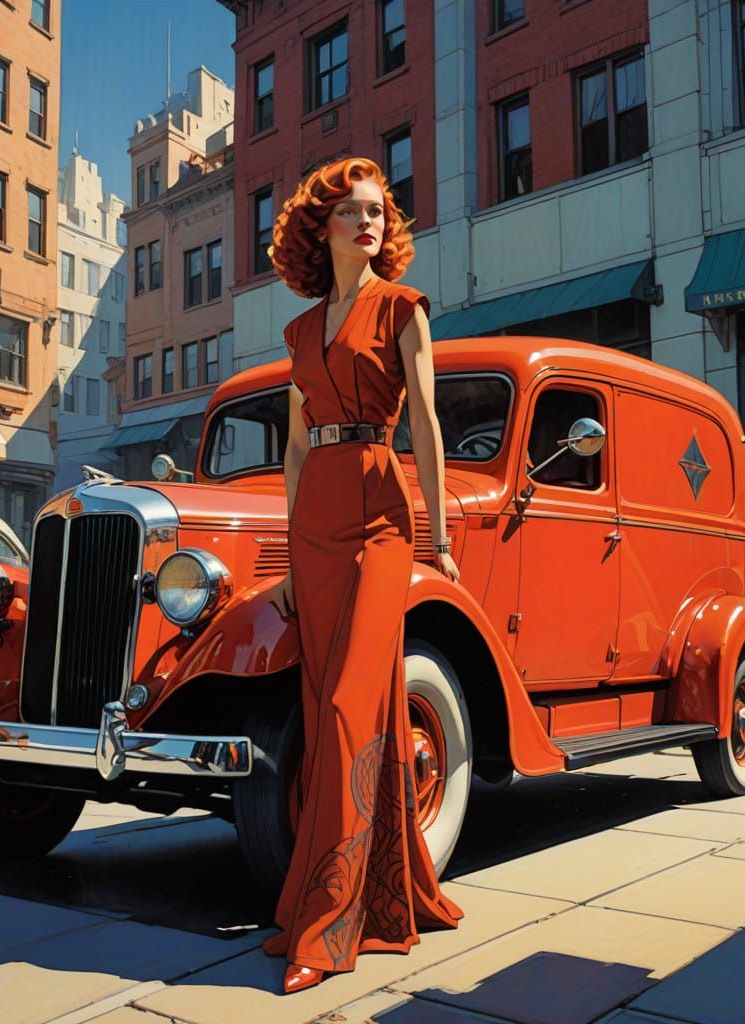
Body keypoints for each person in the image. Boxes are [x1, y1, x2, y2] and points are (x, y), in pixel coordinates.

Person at [267, 157, 464, 994]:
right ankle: (379, 893)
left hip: (384, 514)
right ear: (323, 229)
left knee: (352, 705)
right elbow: (297, 447)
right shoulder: (300, 333)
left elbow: (425, 419)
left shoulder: (403, 309)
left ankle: (329, 923)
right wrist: (284, 554)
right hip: (315, 528)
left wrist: (440, 536)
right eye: (351, 212)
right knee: (329, 709)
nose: (369, 222)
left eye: (378, 211)